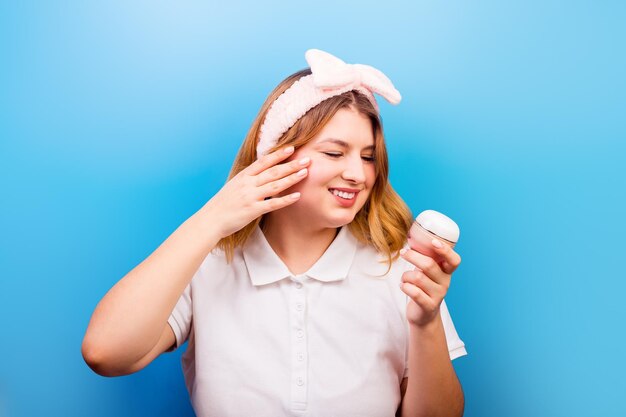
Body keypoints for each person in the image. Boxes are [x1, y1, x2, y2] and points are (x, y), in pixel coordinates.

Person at [82, 49, 467, 417]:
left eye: (368, 156)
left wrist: (425, 322)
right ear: (275, 156)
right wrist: (214, 218)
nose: (358, 173)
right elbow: (106, 352)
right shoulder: (209, 262)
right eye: (334, 153)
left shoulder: (399, 267)